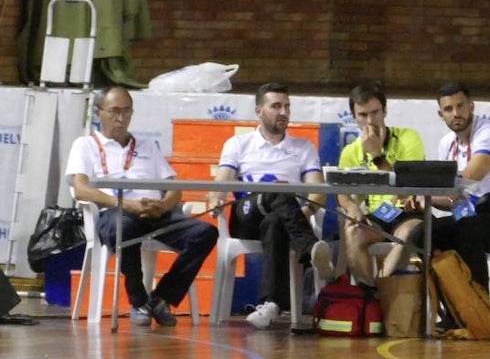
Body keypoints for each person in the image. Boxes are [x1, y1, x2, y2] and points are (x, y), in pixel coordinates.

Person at [65, 86, 218, 326]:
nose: (121, 118)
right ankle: (138, 300)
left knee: (205, 232)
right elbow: (81, 189)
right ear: (98, 113)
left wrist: (164, 205)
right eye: (115, 111)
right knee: (123, 228)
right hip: (116, 212)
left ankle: (161, 297)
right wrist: (127, 204)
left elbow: (174, 188)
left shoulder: (146, 145)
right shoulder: (85, 145)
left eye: (127, 111)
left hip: (154, 213)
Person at [208, 82, 334, 329]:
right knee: (276, 189)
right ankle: (310, 250)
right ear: (259, 111)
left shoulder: (303, 148)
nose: (283, 112)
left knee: (277, 220)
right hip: (246, 218)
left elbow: (318, 192)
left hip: (284, 223)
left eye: (287, 106)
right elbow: (221, 183)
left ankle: (270, 304)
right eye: (276, 106)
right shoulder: (238, 144)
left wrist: (303, 212)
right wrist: (215, 200)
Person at [401, 82, 490, 288]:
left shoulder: (489, 133)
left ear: (472, 106)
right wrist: (426, 199)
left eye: (461, 106)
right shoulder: (446, 143)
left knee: (466, 230)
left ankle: (479, 311)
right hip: (480, 215)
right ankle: (453, 308)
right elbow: (454, 197)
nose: (456, 113)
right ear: (441, 114)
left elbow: (470, 176)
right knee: (423, 234)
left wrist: (426, 189)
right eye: (449, 109)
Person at [336, 82, 426, 286]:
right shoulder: (350, 152)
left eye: (375, 113)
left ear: (385, 111)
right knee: (353, 231)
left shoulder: (408, 138)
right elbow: (343, 193)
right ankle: (367, 292)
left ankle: (381, 290)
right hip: (377, 215)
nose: (370, 121)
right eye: (363, 115)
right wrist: (351, 207)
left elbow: (407, 186)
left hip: (408, 212)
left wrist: (377, 154)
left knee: (408, 233)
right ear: (354, 117)